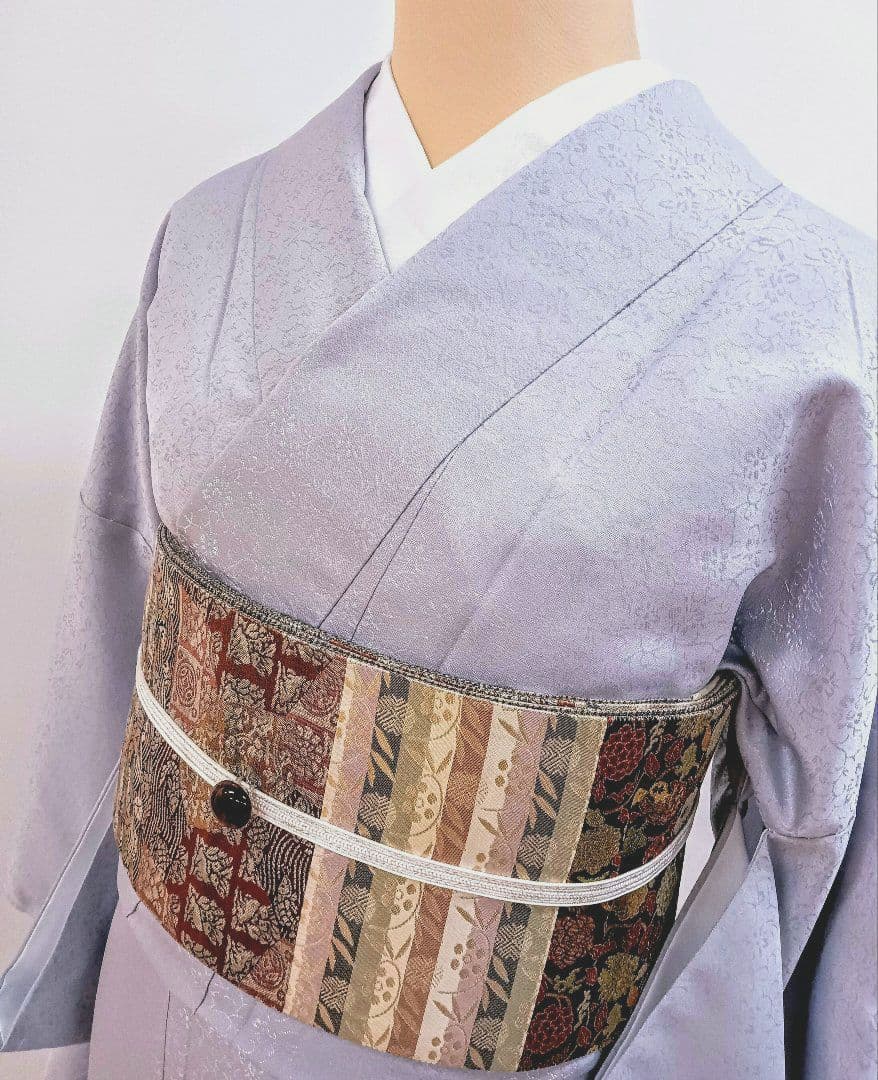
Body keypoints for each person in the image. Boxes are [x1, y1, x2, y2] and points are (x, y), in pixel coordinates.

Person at [2, 2, 875, 1078]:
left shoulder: (811, 316)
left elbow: (827, 814)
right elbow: (120, 580)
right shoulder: (213, 230)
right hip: (152, 997)